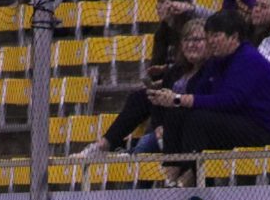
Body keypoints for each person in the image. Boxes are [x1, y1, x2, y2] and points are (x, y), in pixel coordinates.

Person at [151, 10, 270, 187]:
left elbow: (230, 100)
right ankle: (172, 171)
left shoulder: (249, 59)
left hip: (265, 130)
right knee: (177, 113)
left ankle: (198, 183)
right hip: (236, 123)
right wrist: (173, 100)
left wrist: (182, 98)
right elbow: (201, 93)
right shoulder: (217, 61)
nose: (210, 41)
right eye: (208, 36)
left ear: (234, 37)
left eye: (216, 35)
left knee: (198, 120)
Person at [78, 19, 212, 157]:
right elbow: (158, 104)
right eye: (186, 40)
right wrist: (159, 126)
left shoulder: (211, 72)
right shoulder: (175, 71)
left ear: (209, 43)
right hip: (167, 127)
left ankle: (130, 154)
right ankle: (105, 146)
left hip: (190, 129)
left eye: (197, 40)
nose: (191, 45)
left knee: (146, 142)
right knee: (141, 97)